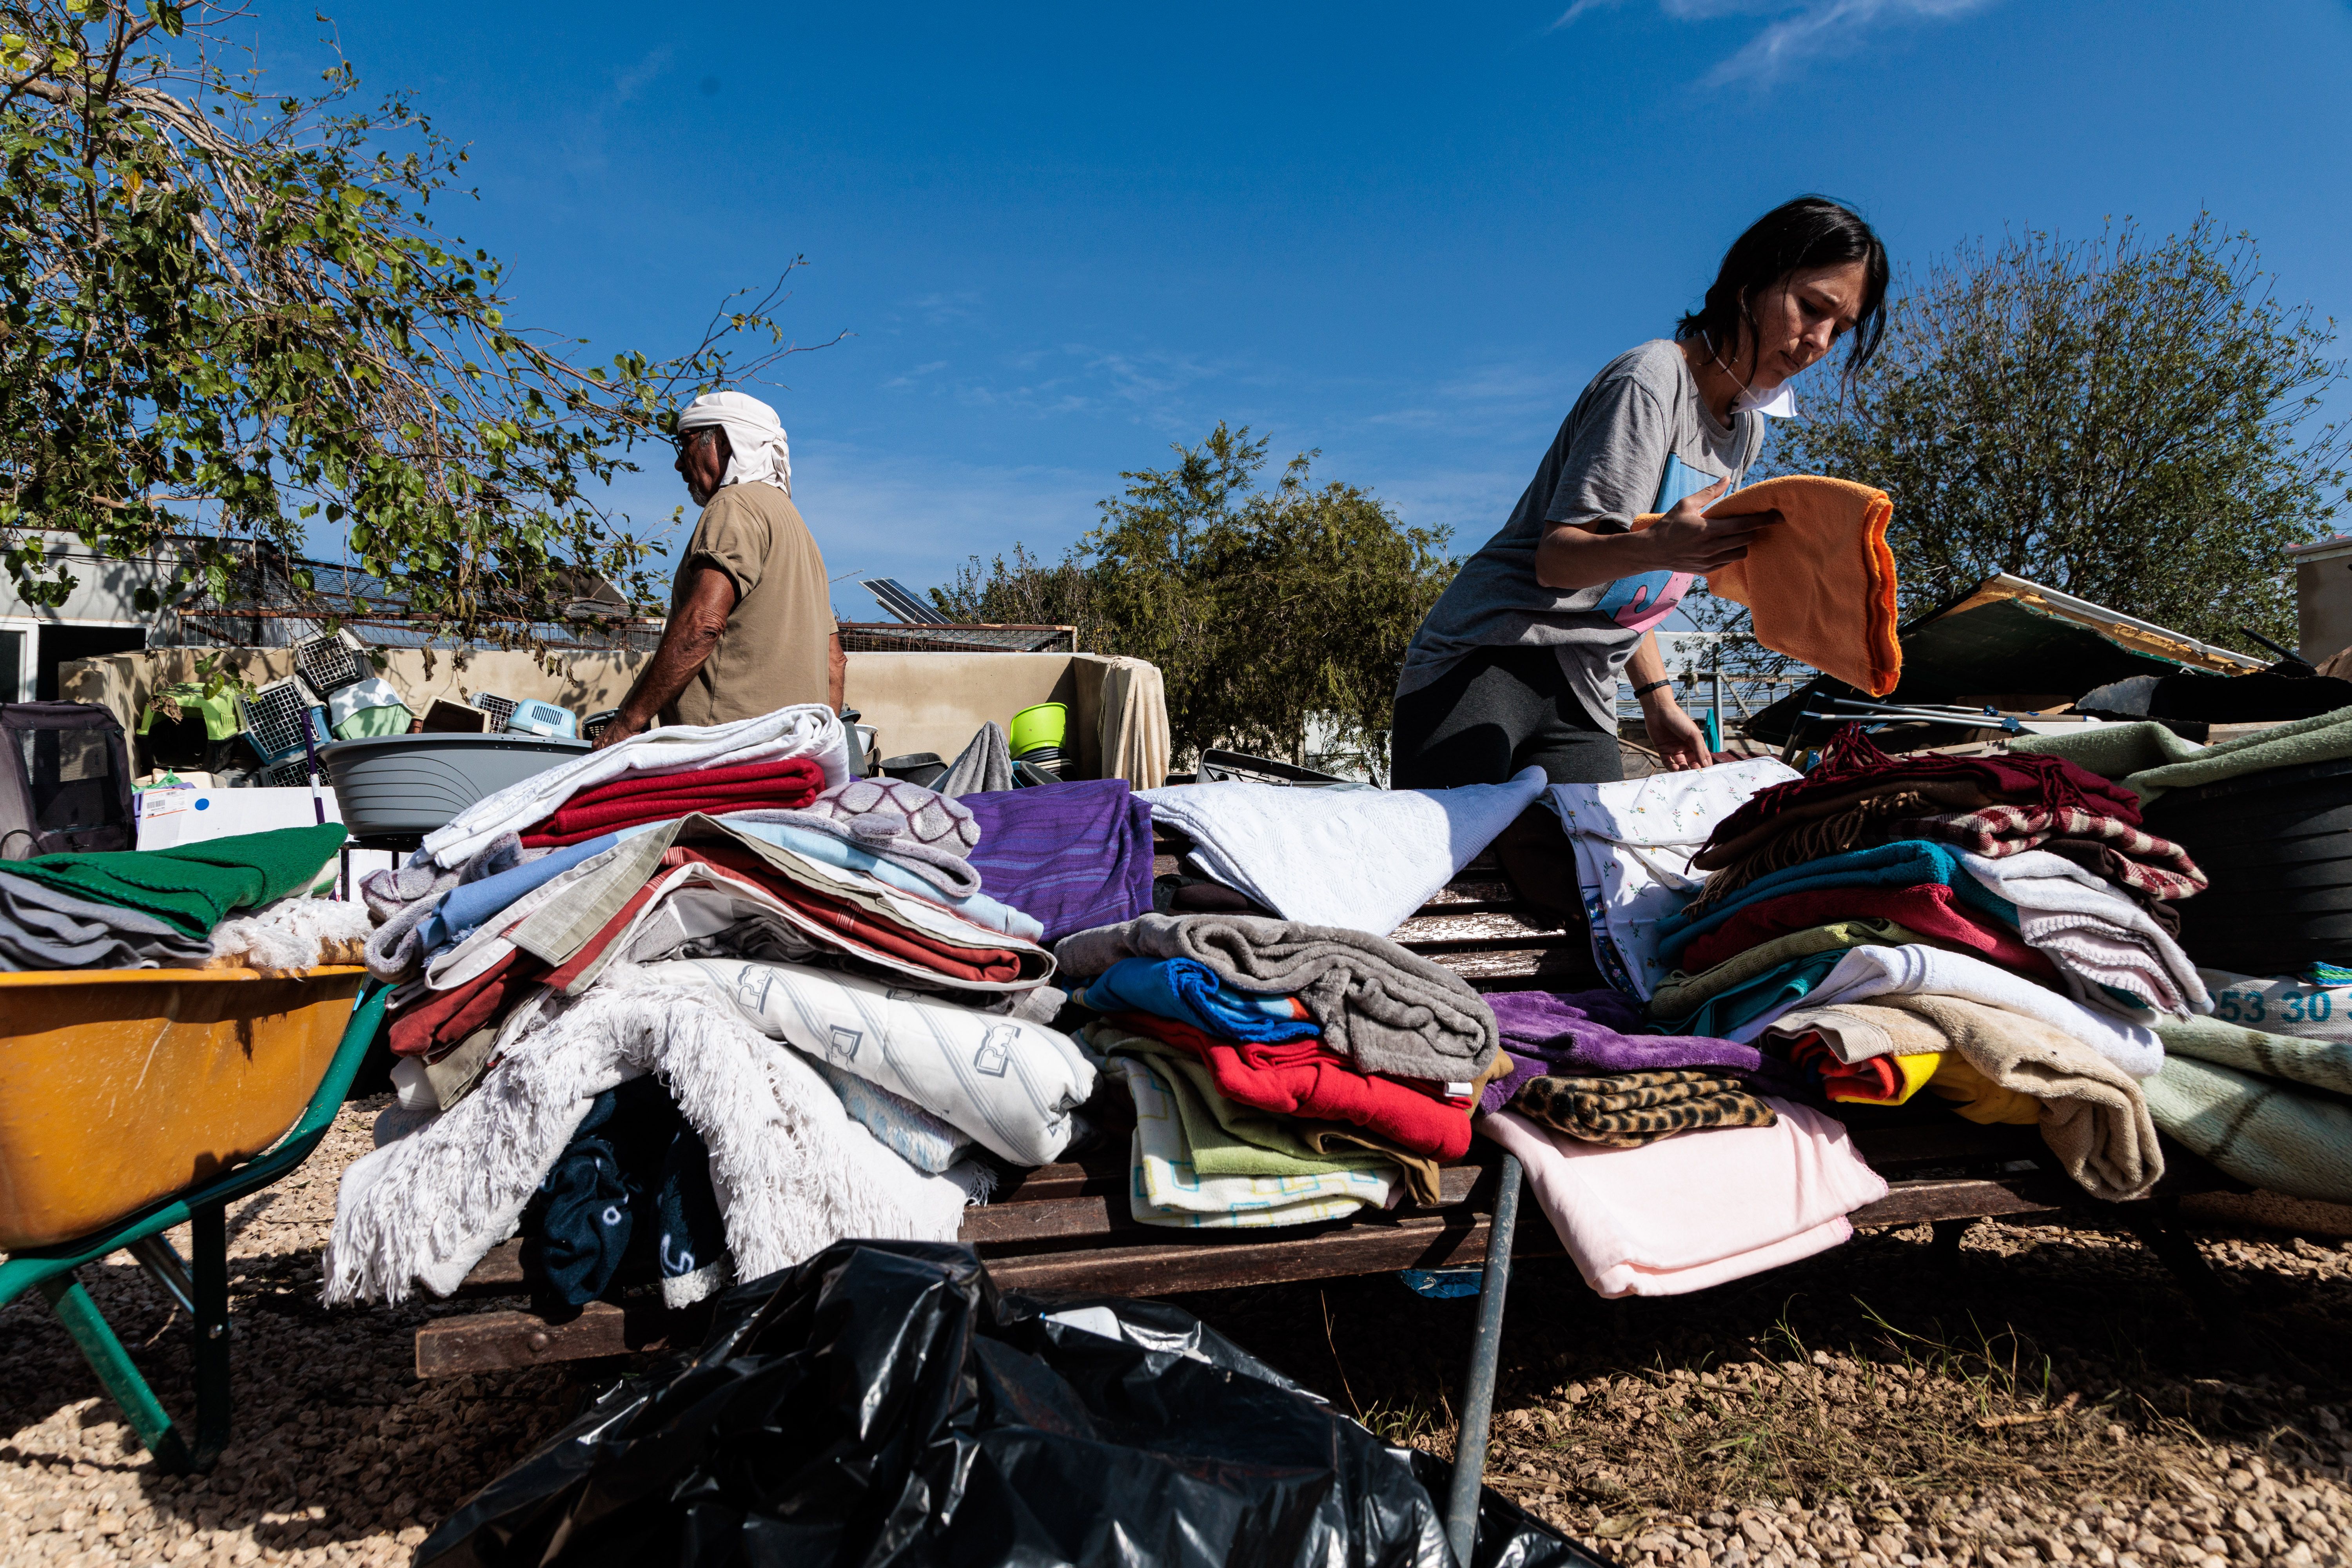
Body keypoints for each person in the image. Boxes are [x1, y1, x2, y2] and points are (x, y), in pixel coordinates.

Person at [1390, 195, 1889, 787]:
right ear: (1751, 279)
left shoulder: (1745, 429)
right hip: (1489, 658)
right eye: (1812, 308)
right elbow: (1558, 561)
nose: (1820, 342)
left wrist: (1657, 700)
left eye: (1841, 329)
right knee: (1465, 874)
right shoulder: (1651, 381)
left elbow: (1630, 588)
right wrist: (1662, 548)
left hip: (1587, 688)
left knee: (1594, 877)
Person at [595, 390, 845, 748]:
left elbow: (702, 625)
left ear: (726, 443)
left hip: (726, 757)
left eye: (686, 443)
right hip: (794, 760)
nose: (680, 464)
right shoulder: (799, 529)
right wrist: (817, 749)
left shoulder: (734, 506)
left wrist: (625, 726)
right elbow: (834, 662)